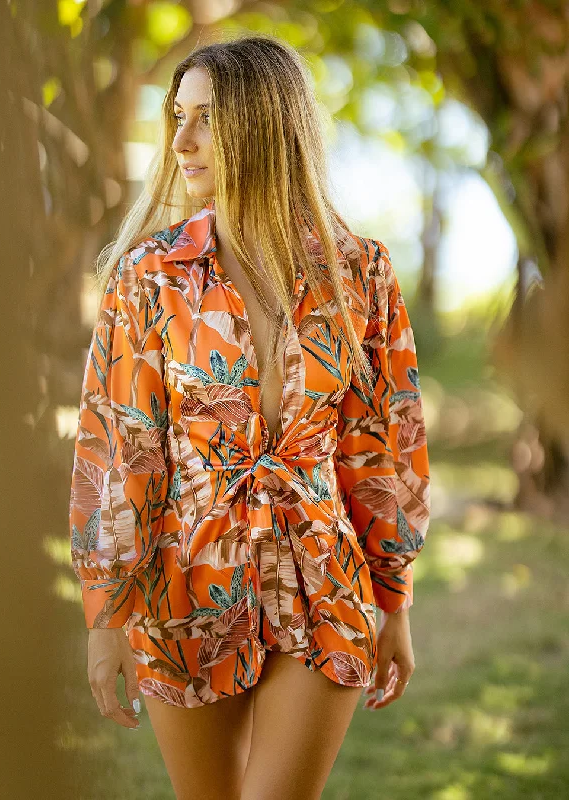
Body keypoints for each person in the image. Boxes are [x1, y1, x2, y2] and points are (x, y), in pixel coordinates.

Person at [69, 34, 430, 800]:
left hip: (323, 581)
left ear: (264, 126)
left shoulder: (360, 273)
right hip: (185, 586)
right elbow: (121, 450)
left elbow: (381, 447)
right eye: (178, 116)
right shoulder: (149, 277)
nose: (182, 140)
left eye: (206, 119)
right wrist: (106, 615)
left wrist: (394, 601)